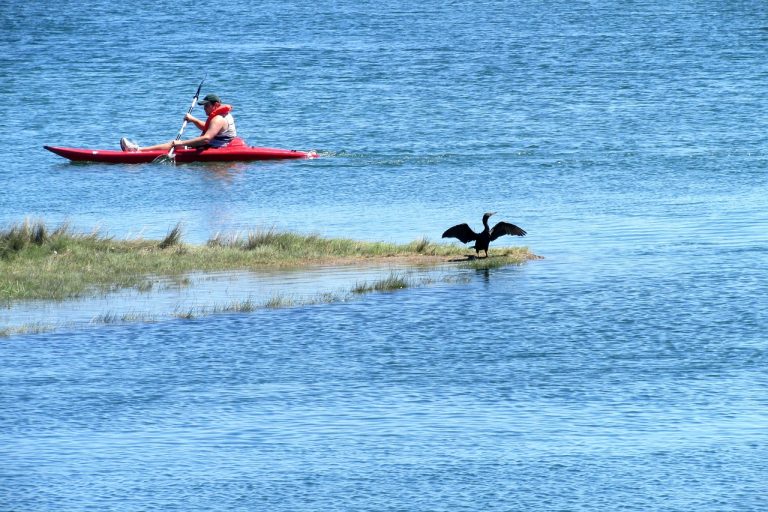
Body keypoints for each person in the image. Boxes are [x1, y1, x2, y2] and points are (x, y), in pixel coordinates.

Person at [120, 93, 238, 152]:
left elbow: (206, 138)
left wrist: (180, 143)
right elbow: (209, 129)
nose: (204, 108)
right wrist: (194, 120)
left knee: (173, 144)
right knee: (178, 144)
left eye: (206, 106)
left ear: (216, 105)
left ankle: (137, 150)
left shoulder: (218, 119)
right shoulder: (223, 115)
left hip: (214, 147)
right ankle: (139, 149)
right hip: (218, 143)